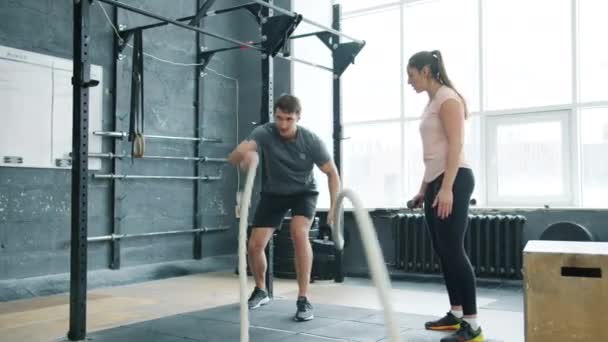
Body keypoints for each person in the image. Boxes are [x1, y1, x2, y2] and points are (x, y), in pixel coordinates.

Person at [228, 94, 341, 322]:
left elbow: (332, 173)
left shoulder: (311, 140)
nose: (282, 124)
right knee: (254, 245)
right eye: (279, 118)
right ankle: (261, 290)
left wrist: (334, 207)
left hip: (303, 192)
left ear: (298, 117)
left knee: (299, 233)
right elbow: (234, 158)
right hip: (274, 193)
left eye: (288, 119)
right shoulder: (264, 133)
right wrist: (245, 158)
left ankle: (303, 298)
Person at [406, 50, 483, 342]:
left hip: (456, 179)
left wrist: (447, 187)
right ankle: (456, 314)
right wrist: (424, 190)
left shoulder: (448, 98)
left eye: (411, 75)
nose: (409, 81)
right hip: (437, 180)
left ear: (426, 70)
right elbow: (433, 154)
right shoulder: (431, 103)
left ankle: (473, 327)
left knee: (453, 250)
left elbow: (456, 145)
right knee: (443, 251)